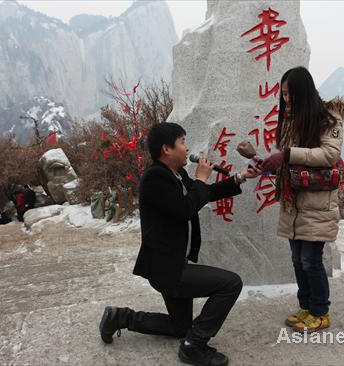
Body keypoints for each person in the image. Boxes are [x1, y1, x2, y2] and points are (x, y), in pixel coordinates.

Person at [99, 122, 260, 366]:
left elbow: (204, 194)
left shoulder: (176, 173)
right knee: (230, 284)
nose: (187, 149)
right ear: (166, 149)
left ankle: (120, 318)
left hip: (173, 264)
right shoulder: (155, 178)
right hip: (168, 269)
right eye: (182, 142)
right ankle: (194, 345)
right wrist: (201, 178)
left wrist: (240, 177)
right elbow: (184, 209)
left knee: (179, 326)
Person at [259, 66, 344, 333]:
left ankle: (320, 312)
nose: (287, 100)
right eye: (284, 95)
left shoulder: (329, 118)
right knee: (297, 260)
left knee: (311, 260)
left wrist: (287, 154)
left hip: (317, 203)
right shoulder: (290, 120)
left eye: (291, 95)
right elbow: (288, 159)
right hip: (294, 201)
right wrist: (266, 162)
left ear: (304, 92)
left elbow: (329, 156)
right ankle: (306, 306)